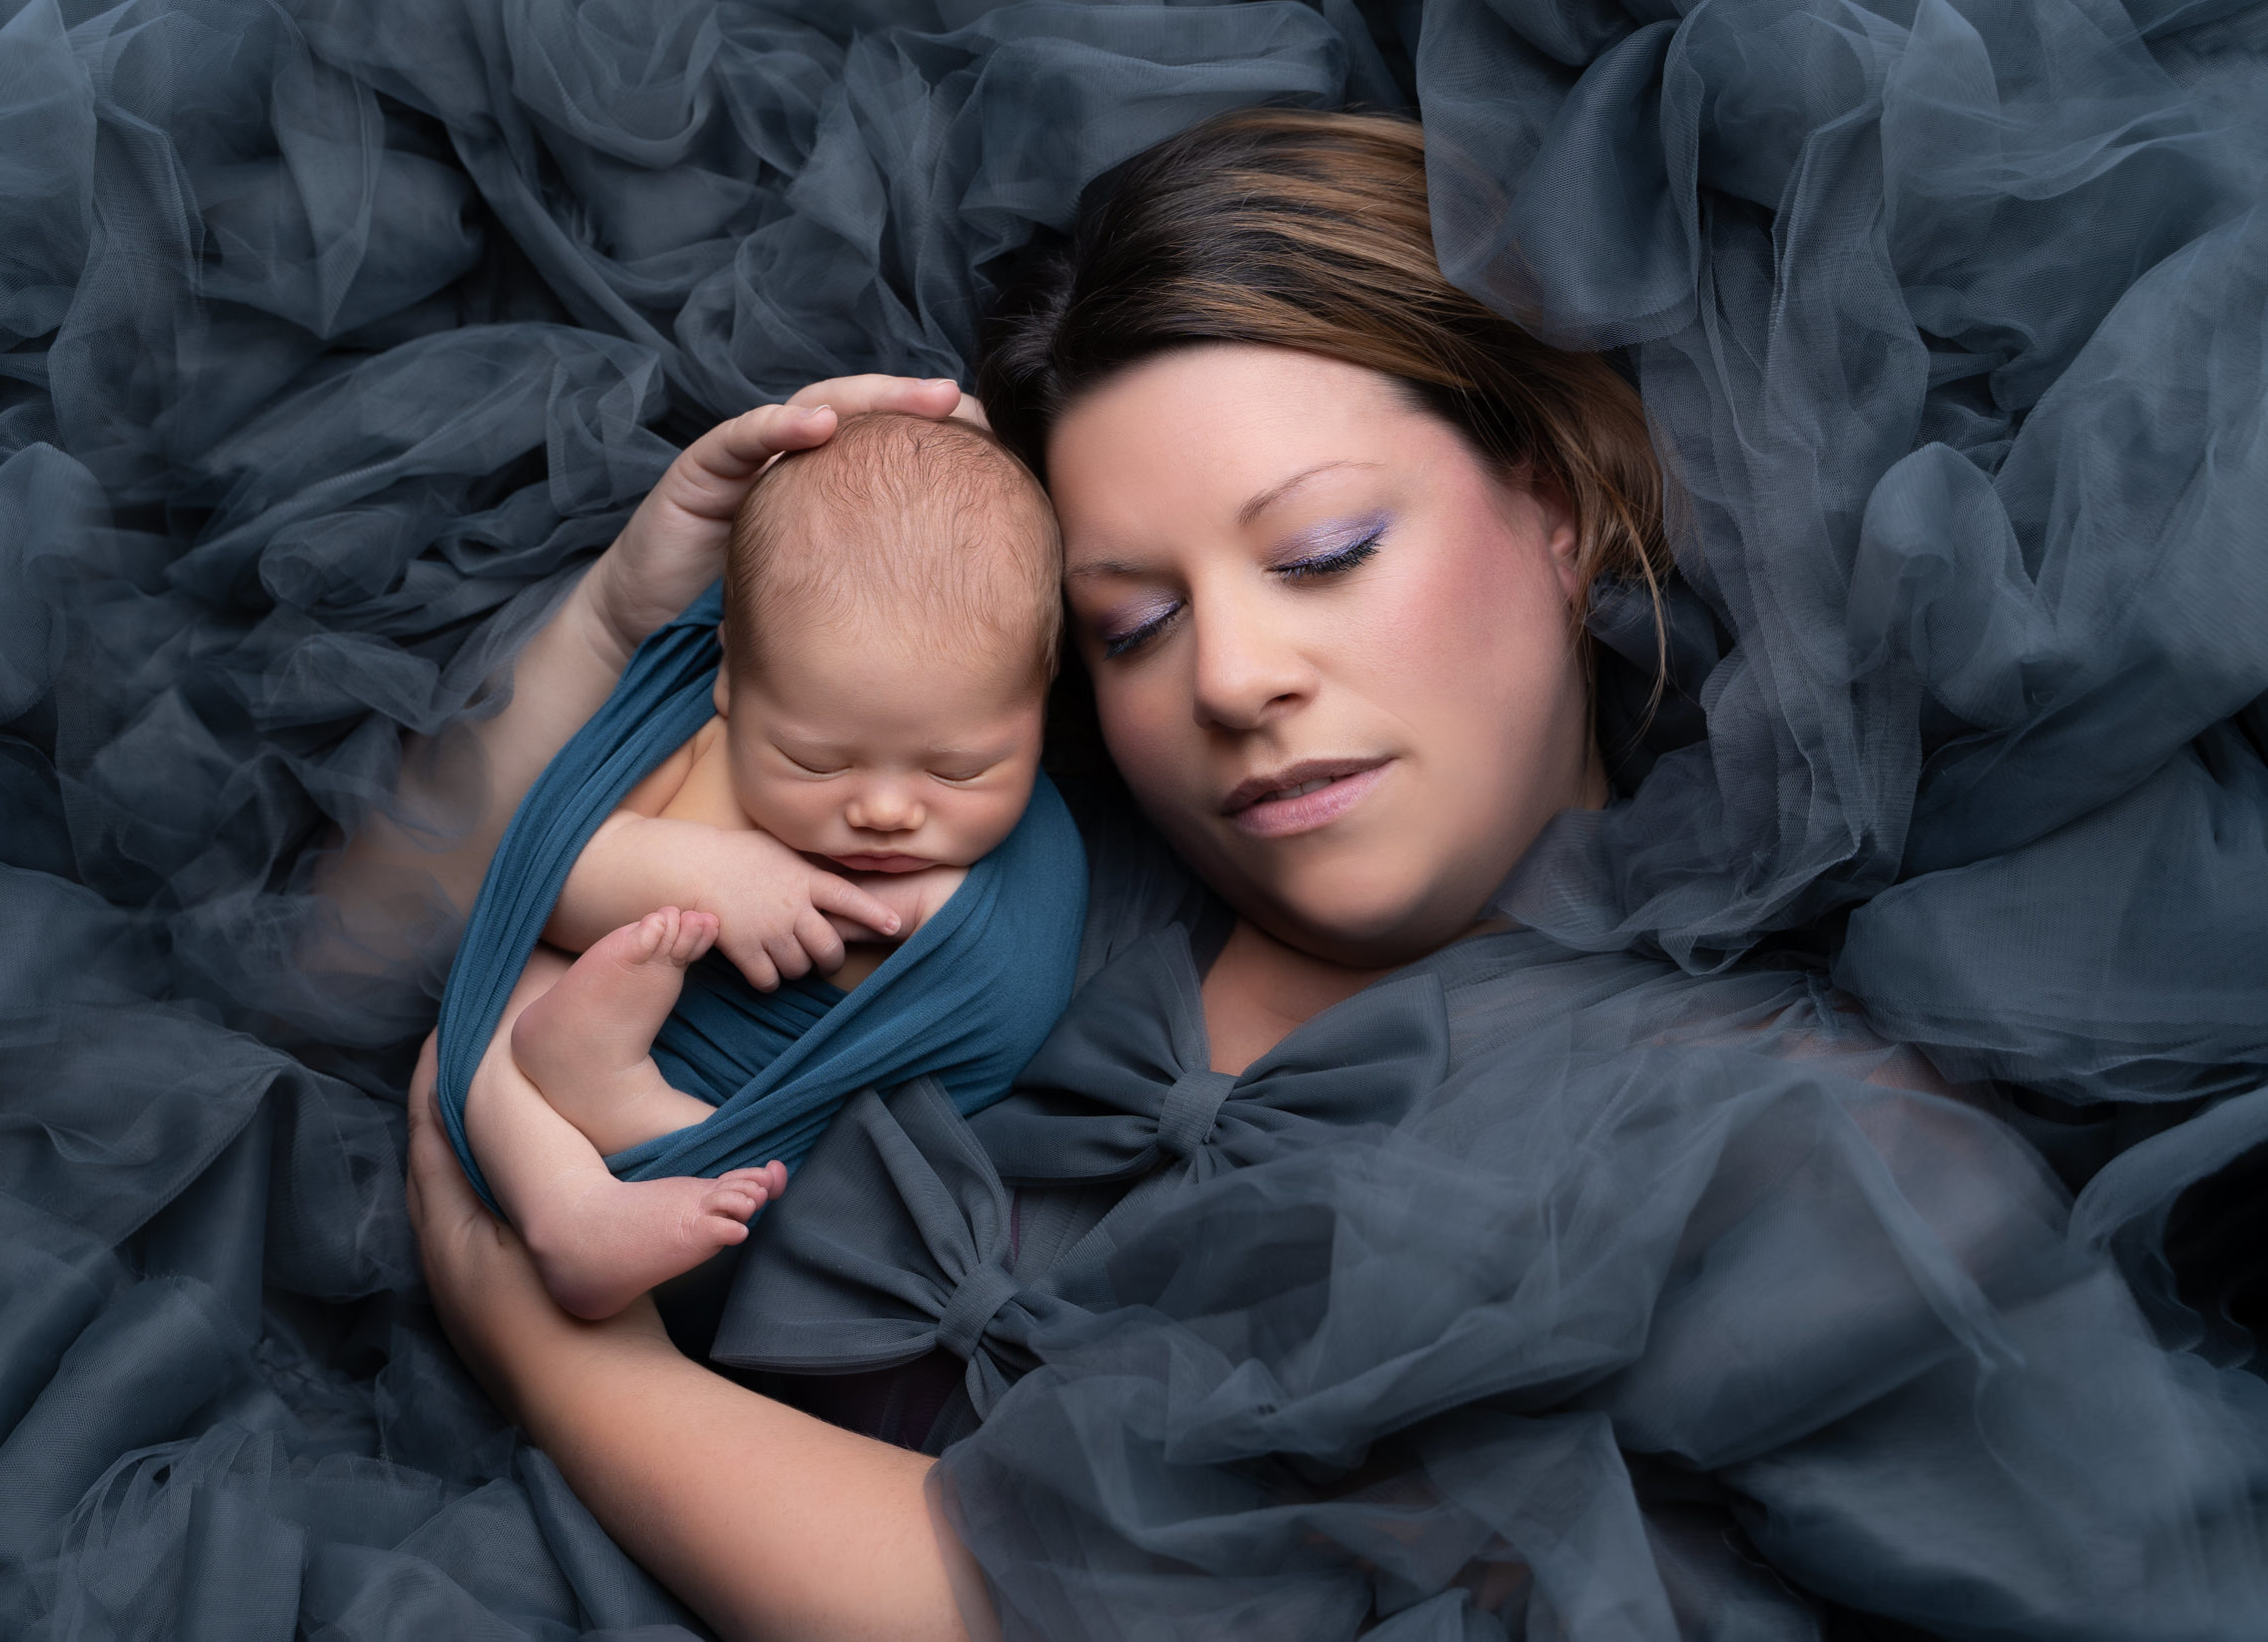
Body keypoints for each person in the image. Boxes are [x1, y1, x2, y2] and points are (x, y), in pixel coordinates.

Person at [400, 109, 2268, 1638]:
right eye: (1128, 626)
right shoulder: (993, 865)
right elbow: (349, 970)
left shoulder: (1780, 1153)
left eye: (1323, 551)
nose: (1228, 679)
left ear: (1554, 499)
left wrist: (570, 1365)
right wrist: (632, 612)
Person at [455, 410, 1073, 1320]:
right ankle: (569, 1213)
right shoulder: (704, 748)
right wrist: (708, 875)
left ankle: (643, 1120)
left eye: (957, 768)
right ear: (732, 684)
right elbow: (544, 880)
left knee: (766, 1202)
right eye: (817, 762)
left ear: (1042, 709)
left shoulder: (1017, 884)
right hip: (548, 1081)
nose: (885, 810)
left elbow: (949, 1082)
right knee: (473, 1040)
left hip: (743, 1169)